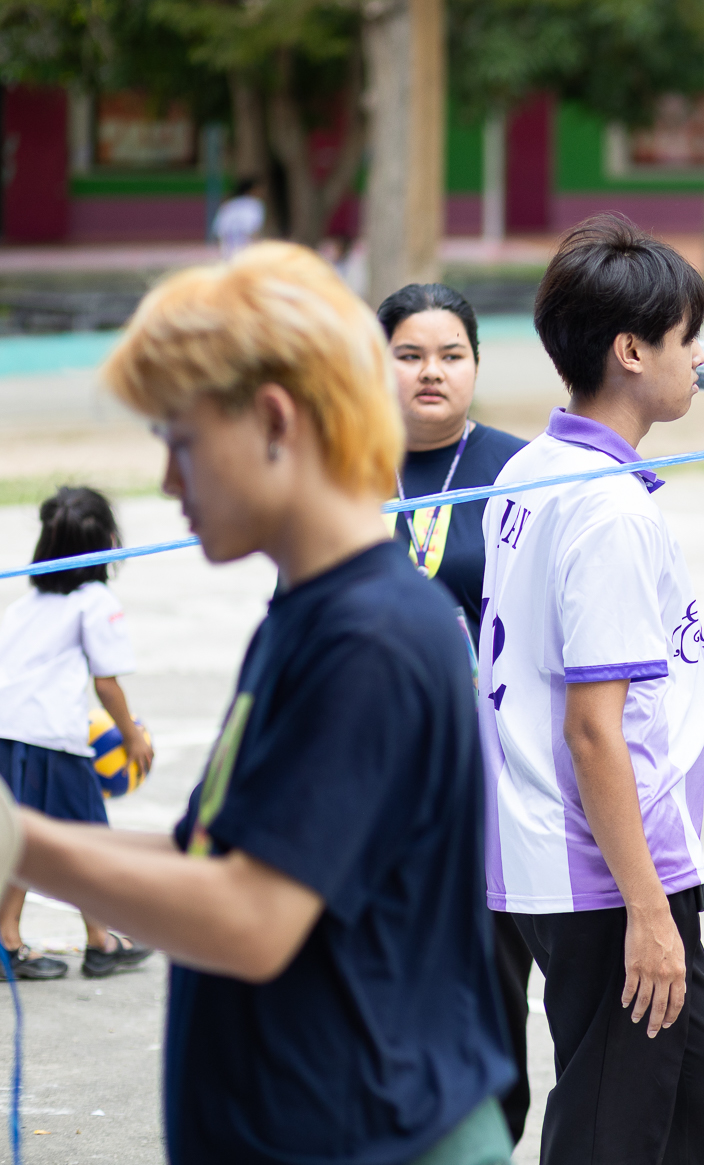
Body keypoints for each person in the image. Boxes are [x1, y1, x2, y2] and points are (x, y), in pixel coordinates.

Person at [14, 241, 516, 1163]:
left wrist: (20, 842)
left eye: (181, 441)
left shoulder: (369, 636)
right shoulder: (308, 612)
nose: (169, 481)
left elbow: (250, 916)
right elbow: (207, 855)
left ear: (275, 420)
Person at [480, 214, 704, 1164]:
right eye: (687, 336)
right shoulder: (608, 511)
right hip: (604, 869)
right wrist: (648, 909)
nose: (700, 356)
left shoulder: (530, 466)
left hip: (570, 853)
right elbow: (594, 729)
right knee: (612, 1124)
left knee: (700, 1084)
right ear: (632, 351)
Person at [376, 282, 537, 1145]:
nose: (431, 371)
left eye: (450, 354)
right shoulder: (340, 469)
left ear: (477, 363)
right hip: (372, 773)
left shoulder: (522, 470)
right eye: (408, 354)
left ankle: (491, 1141)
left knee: (489, 981)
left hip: (489, 777)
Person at [0, 487, 156, 980]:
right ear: (108, 542)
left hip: (10, 733)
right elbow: (106, 684)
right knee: (87, 842)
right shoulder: (97, 602)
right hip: (49, 740)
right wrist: (132, 737)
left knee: (24, 839)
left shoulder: (26, 605)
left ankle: (26, 940)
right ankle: (100, 942)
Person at [211, 178, 264, 258]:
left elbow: (219, 230)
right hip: (247, 250)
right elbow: (253, 229)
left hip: (228, 252)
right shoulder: (254, 204)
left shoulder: (228, 204)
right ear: (251, 190)